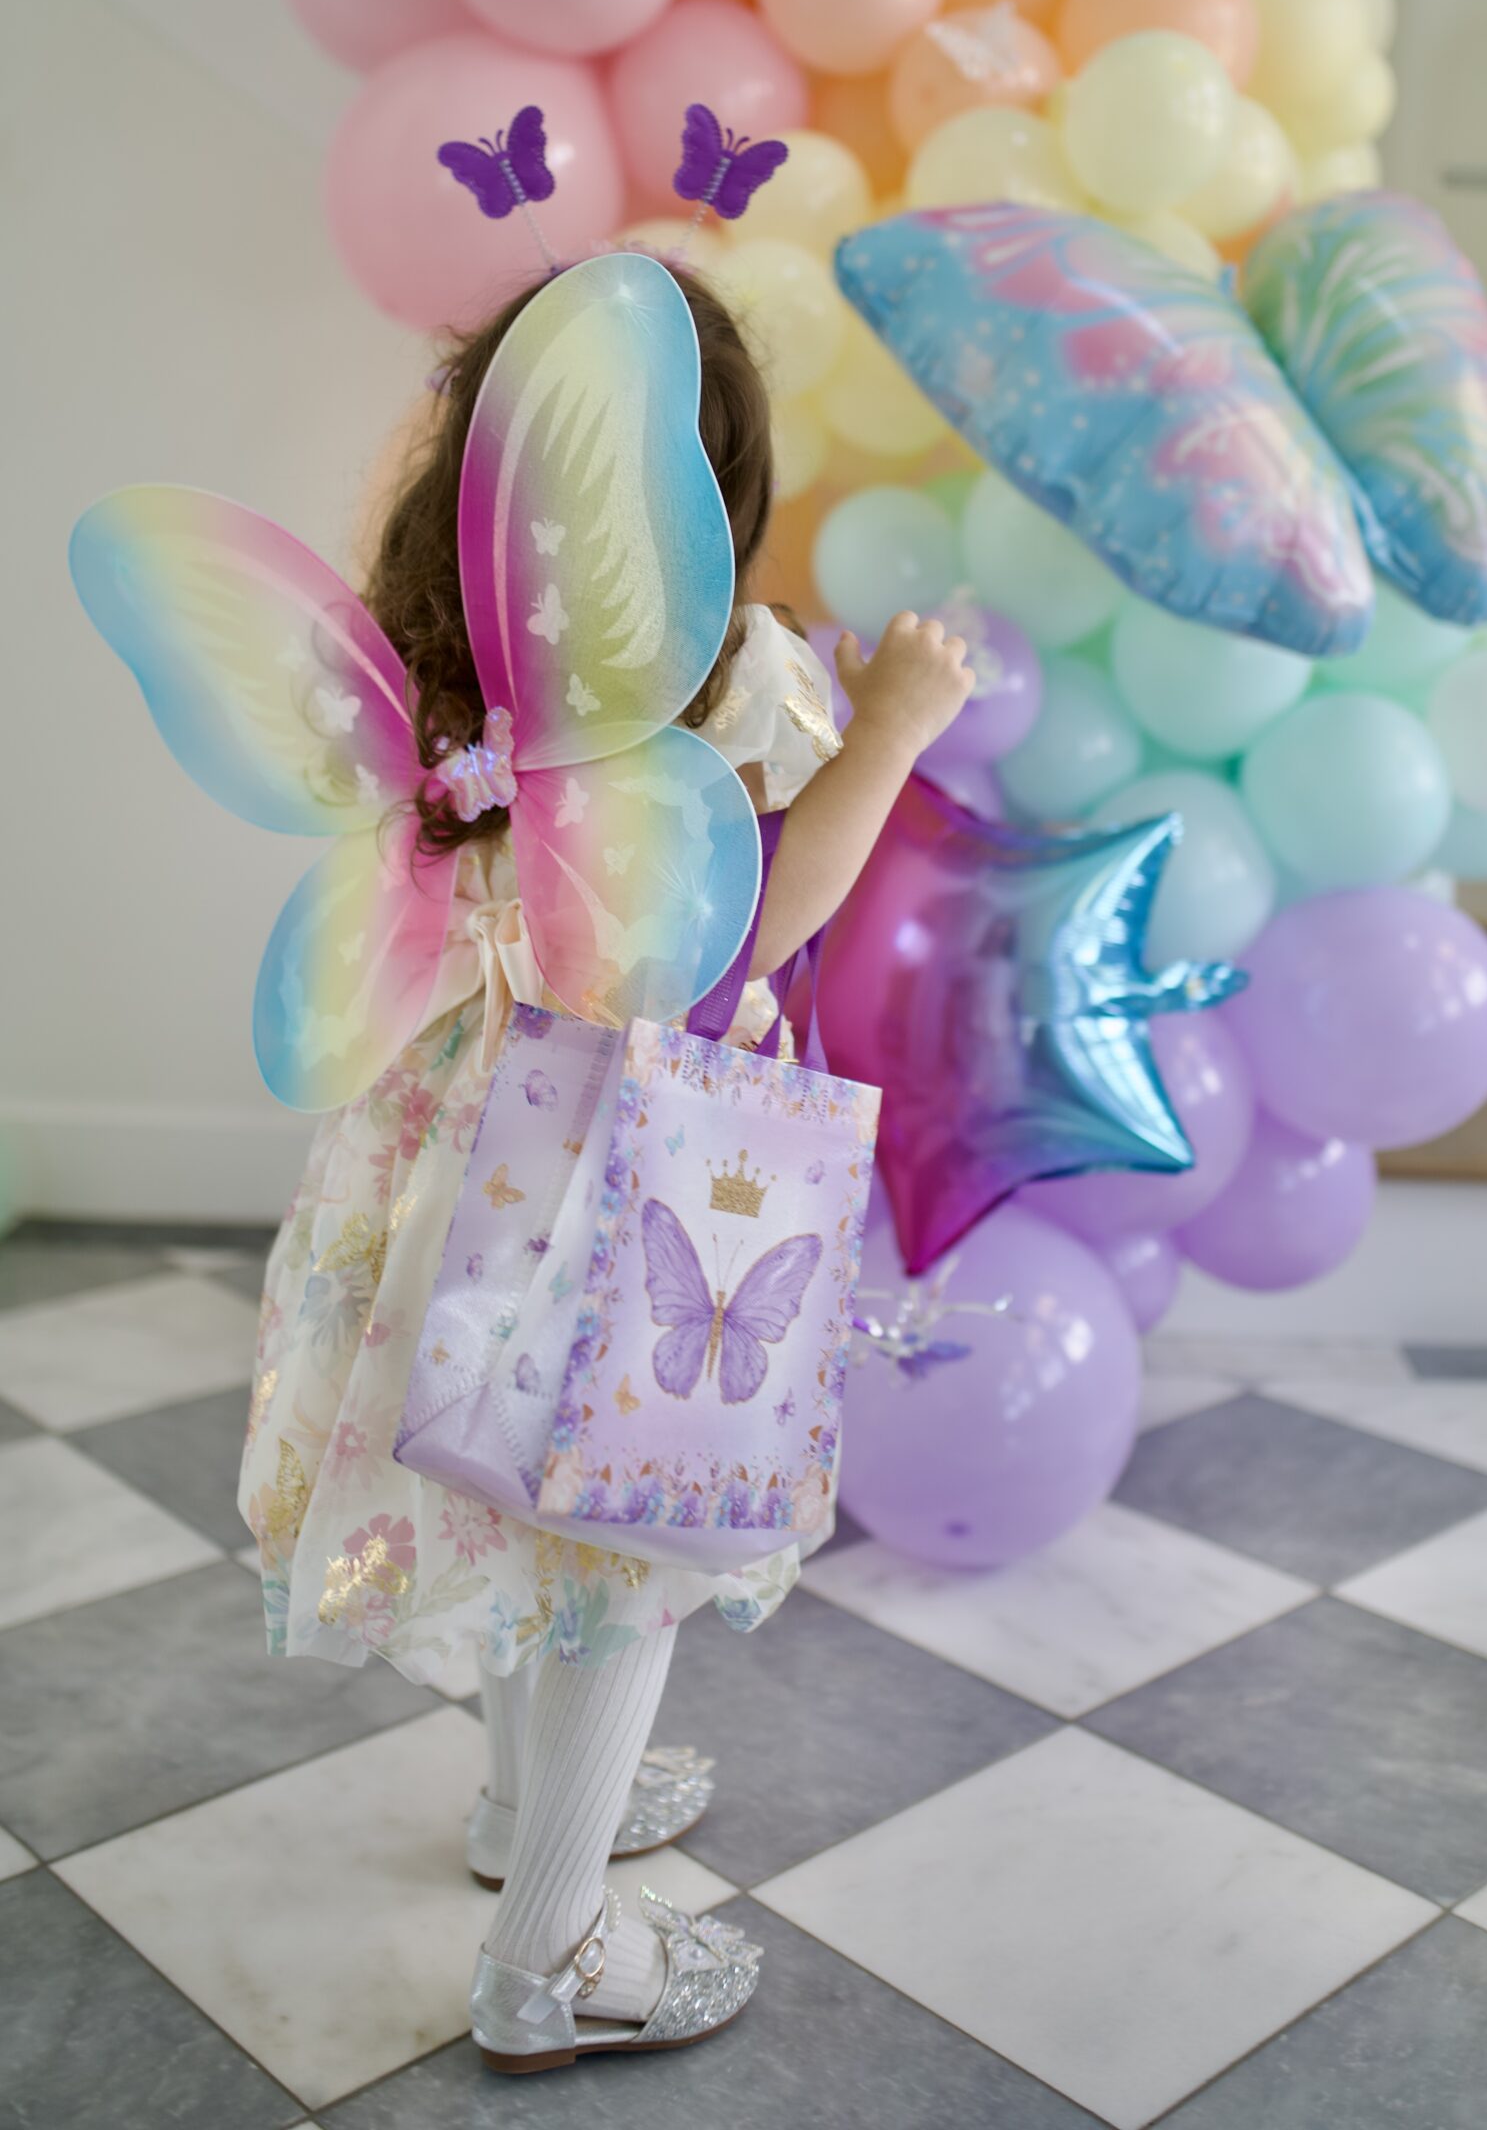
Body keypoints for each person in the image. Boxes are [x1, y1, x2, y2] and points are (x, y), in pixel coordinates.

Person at [237, 258, 974, 2072]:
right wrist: (891, 728)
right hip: (623, 1177)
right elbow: (749, 935)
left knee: (510, 1494)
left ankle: (522, 1815)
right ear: (712, 489)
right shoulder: (726, 676)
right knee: (622, 1542)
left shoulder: (428, 662)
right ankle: (553, 1956)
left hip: (442, 1164)